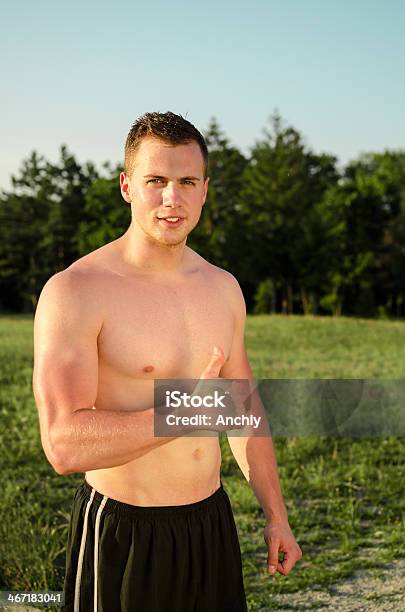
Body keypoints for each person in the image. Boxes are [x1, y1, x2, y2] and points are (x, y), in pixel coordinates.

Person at [33, 111, 302, 612]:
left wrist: (276, 515)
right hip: (123, 533)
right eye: (155, 181)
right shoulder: (76, 291)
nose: (171, 199)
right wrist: (184, 416)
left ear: (205, 189)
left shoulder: (222, 289)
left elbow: (241, 408)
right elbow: (62, 444)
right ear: (127, 186)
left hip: (209, 525)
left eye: (186, 182)